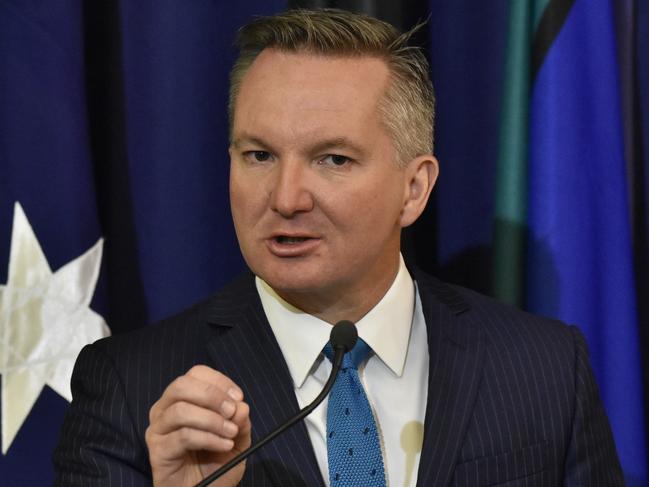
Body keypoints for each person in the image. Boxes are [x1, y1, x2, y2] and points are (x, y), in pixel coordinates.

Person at [54, 8, 623, 486]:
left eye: (333, 159)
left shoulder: (545, 371)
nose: (286, 197)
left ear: (414, 188)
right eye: (259, 155)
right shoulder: (132, 390)